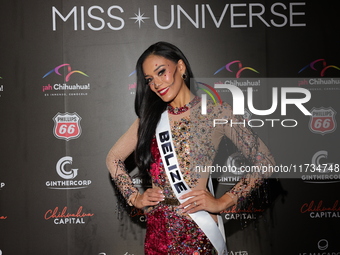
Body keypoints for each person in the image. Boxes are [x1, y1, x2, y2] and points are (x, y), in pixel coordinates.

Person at [106, 41, 275, 255]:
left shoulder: (217, 114)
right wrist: (134, 197)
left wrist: (222, 202)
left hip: (197, 230)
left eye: (161, 72)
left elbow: (265, 161)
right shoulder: (150, 120)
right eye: (150, 79)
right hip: (158, 232)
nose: (157, 83)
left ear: (181, 67)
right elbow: (113, 158)